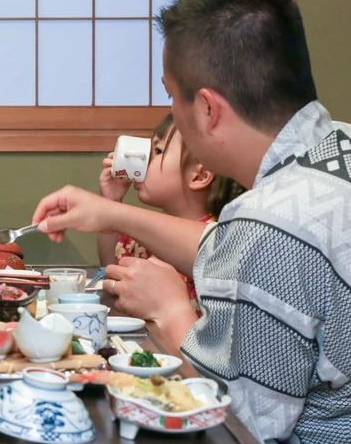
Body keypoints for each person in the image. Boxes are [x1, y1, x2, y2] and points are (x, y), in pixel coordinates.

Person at [32, 0, 351, 444]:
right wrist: (108, 212)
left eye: (170, 96)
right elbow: (230, 246)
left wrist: (171, 311)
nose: (171, 113)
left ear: (207, 109)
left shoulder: (273, 223)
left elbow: (236, 423)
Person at [96, 114, 245, 314]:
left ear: (199, 175)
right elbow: (111, 268)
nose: (145, 161)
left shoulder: (217, 237)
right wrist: (112, 201)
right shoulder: (149, 233)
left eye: (158, 151)